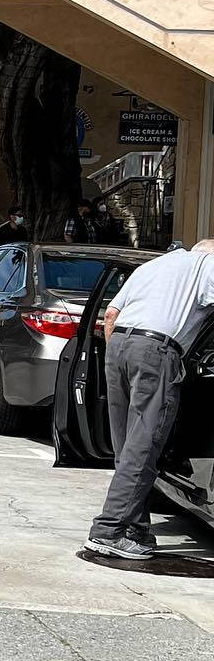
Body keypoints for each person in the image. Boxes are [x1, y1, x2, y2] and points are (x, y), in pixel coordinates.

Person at [85, 240, 214, 561]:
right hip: (156, 351)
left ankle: (136, 530)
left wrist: (123, 354)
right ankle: (108, 529)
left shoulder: (153, 265)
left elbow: (111, 315)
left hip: (118, 347)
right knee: (145, 444)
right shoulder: (206, 266)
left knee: (128, 445)